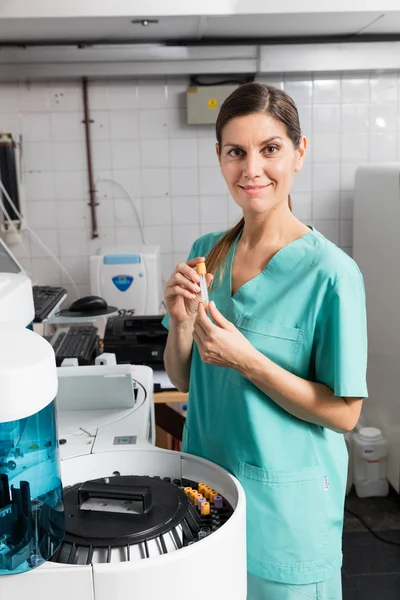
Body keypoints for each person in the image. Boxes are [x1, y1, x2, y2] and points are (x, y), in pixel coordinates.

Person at [162, 82, 368, 600]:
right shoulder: (207, 253)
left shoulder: (333, 274)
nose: (252, 168)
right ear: (219, 158)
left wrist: (249, 361)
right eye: (236, 152)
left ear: (299, 152)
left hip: (285, 521)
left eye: (270, 148)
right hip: (207, 501)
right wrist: (181, 321)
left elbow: (345, 413)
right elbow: (186, 378)